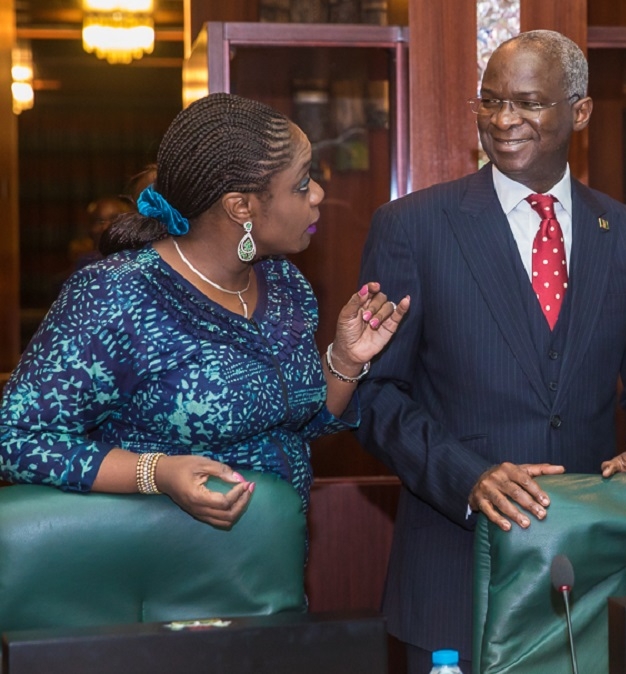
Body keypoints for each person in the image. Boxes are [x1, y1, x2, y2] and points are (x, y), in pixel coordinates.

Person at [356, 30, 626, 673]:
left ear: (579, 111)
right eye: (491, 102)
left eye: (528, 103)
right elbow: (374, 395)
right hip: (451, 571)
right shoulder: (412, 227)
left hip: (585, 576)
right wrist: (469, 477)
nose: (504, 121)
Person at [0, 93, 409, 528]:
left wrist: (345, 359)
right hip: (165, 578)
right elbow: (16, 439)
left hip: (269, 573)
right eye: (302, 184)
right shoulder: (119, 293)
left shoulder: (285, 284)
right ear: (241, 207)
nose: (319, 195)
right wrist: (156, 472)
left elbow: (295, 425)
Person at [71, 195, 135, 271]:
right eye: (99, 221)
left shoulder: (140, 261)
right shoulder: (85, 263)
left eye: (114, 219)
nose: (105, 227)